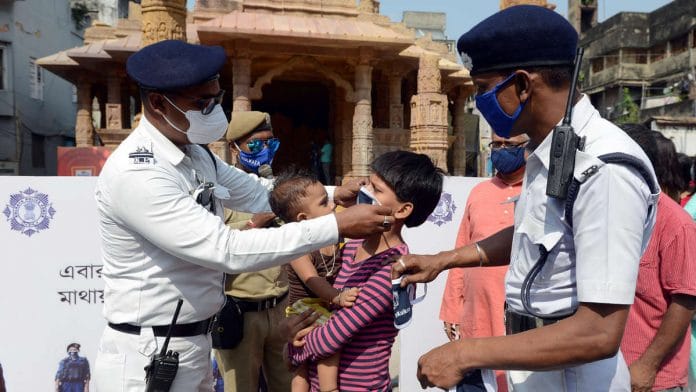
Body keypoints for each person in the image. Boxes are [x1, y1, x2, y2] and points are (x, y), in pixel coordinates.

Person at [92, 39, 395, 391]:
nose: (213, 112)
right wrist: (335, 224)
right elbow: (227, 250)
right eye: (203, 103)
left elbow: (260, 193)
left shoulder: (194, 154)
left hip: (192, 344)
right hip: (148, 354)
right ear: (159, 103)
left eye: (216, 100)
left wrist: (331, 195)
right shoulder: (139, 173)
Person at [391, 5, 659, 390]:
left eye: (484, 89)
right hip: (539, 368)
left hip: (575, 379)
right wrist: (445, 260)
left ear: (521, 85)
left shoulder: (604, 169)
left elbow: (599, 332)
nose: (480, 103)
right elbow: (534, 236)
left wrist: (466, 353)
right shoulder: (549, 152)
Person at [289, 150, 444, 391]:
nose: (365, 193)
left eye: (377, 190)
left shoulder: (394, 269)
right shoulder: (350, 248)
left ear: (402, 210)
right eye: (368, 184)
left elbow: (331, 337)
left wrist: (291, 345)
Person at [440, 133, 528, 391]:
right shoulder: (478, 192)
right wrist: (452, 310)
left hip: (520, 323)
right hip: (476, 317)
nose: (501, 150)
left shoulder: (539, 191)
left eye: (509, 145)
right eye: (496, 144)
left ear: (526, 146)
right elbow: (462, 250)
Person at [214, 111, 293, 392]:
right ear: (234, 147)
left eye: (270, 144)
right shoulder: (218, 190)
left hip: (280, 305)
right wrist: (251, 224)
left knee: (288, 384)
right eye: (256, 145)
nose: (265, 152)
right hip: (241, 310)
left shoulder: (278, 187)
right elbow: (207, 243)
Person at [619, 124, 696, 392]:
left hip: (652, 379)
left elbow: (686, 301)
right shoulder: (611, 214)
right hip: (607, 371)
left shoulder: (676, 224)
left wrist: (647, 365)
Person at [269, 168, 359, 392]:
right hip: (304, 308)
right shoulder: (299, 246)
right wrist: (337, 297)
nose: (332, 207)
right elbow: (312, 280)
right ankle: (329, 388)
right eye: (324, 204)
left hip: (323, 303)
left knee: (304, 364)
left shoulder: (332, 236)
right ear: (303, 218)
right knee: (330, 339)